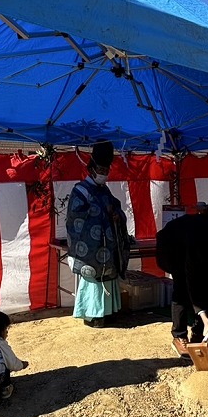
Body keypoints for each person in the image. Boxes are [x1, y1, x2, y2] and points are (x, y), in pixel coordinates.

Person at [66, 140, 130, 327]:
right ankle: (92, 315)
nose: (104, 174)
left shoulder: (104, 190)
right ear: (91, 169)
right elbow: (75, 217)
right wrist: (103, 213)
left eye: (106, 170)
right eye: (100, 170)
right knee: (93, 279)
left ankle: (108, 312)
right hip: (91, 249)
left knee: (109, 278)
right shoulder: (80, 190)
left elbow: (115, 208)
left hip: (108, 246)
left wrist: (116, 215)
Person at [155, 207, 208, 357]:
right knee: (182, 289)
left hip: (201, 247)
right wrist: (206, 320)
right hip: (172, 247)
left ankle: (199, 337)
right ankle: (179, 336)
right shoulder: (200, 243)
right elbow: (192, 283)